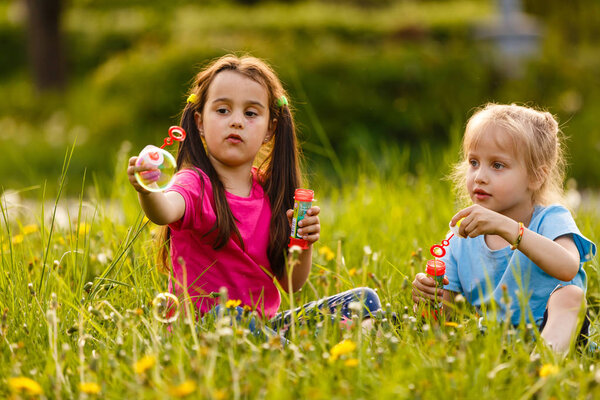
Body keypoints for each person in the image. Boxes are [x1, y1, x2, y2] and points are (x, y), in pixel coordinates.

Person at [127, 54, 380, 335]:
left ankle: (293, 345)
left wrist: (303, 244)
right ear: (199, 122)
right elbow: (163, 210)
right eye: (222, 110)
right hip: (208, 327)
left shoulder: (271, 192)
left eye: (250, 113)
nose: (236, 121)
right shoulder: (194, 183)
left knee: (364, 299)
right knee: (230, 314)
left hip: (261, 326)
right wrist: (147, 188)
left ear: (270, 128)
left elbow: (291, 284)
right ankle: (317, 345)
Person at [411, 103, 596, 355]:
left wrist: (509, 228)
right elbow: (448, 316)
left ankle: (542, 367)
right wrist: (430, 296)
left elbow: (567, 267)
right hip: (496, 341)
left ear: (536, 176)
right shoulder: (461, 236)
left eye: (497, 165)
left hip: (557, 332)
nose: (480, 176)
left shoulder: (550, 219)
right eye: (474, 162)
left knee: (570, 295)